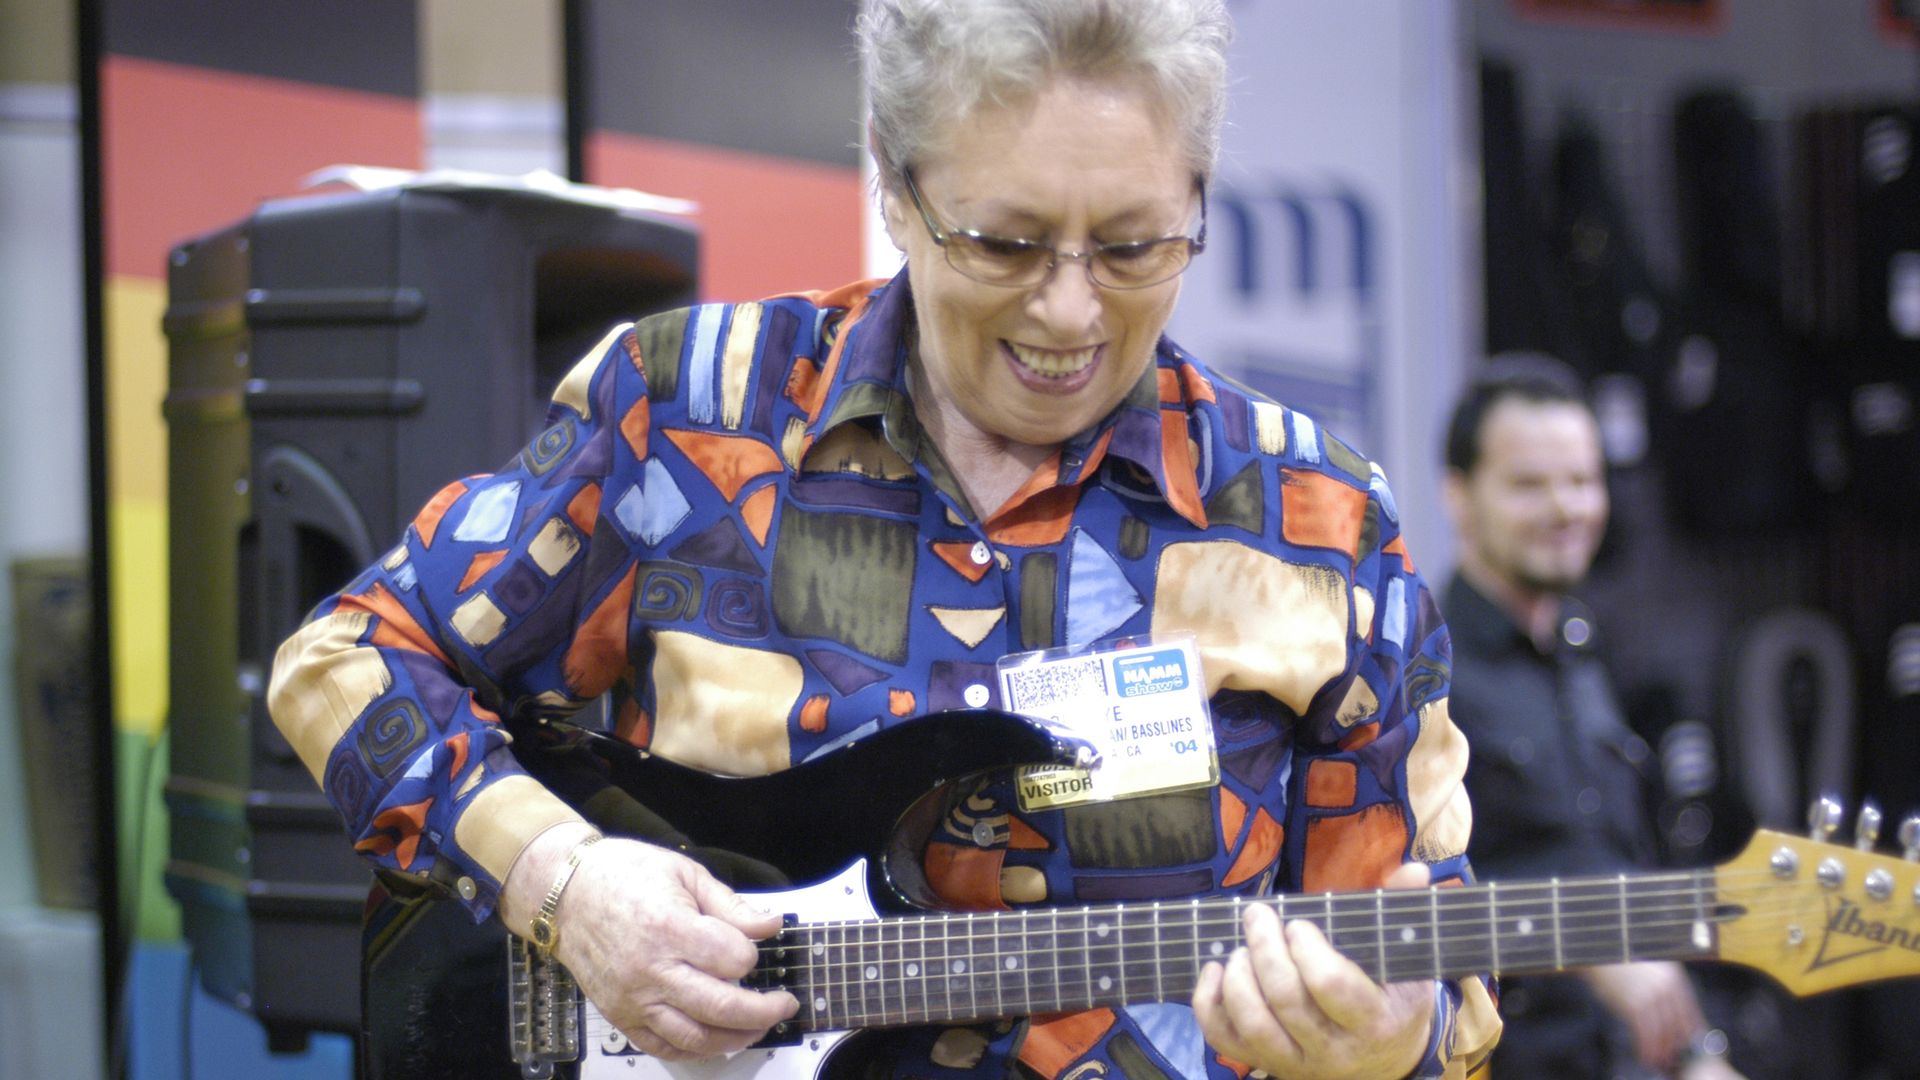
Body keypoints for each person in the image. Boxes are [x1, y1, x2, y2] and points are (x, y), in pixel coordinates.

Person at [268, 1, 1498, 1076]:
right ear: (894, 186)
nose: (1070, 310)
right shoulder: (691, 411)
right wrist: (566, 885)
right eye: (1005, 242)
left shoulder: (1315, 522)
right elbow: (345, 659)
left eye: (1133, 246)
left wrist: (1387, 1046)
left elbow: (1432, 984)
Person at [1440, 354, 1743, 1080]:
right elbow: (1391, 904)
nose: (1566, 509)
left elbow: (1629, 883)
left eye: (1581, 480)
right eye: (1529, 485)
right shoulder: (1419, 672)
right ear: (1459, 497)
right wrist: (1582, 942)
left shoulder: (1590, 656)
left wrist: (1700, 1052)